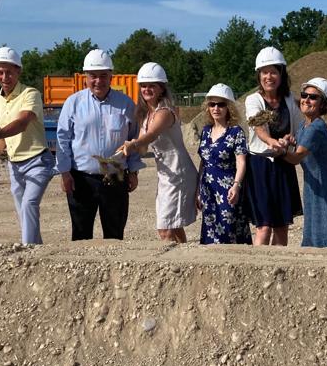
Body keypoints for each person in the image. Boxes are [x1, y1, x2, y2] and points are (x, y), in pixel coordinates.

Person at [55, 48, 143, 240]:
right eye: (93, 76)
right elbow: (62, 139)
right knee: (80, 236)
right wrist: (64, 173)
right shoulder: (73, 103)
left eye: (103, 75)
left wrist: (134, 172)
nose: (98, 81)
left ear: (111, 76)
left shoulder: (126, 104)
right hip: (81, 180)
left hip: (116, 178)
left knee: (114, 236)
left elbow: (134, 140)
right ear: (85, 76)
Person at [0, 46, 56, 245]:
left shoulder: (30, 94)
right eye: (0, 72)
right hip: (14, 165)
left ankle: (27, 251)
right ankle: (36, 250)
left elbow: (22, 122)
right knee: (23, 210)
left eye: (9, 72)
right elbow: (3, 135)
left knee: (29, 204)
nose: (5, 77)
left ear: (18, 71)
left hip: (38, 161)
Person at [117, 62, 197, 242]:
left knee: (164, 229)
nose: (146, 89)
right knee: (174, 225)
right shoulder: (146, 115)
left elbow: (150, 136)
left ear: (161, 88)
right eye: (143, 86)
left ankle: (172, 262)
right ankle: (183, 258)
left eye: (151, 85)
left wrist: (133, 143)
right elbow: (142, 147)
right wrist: (128, 161)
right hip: (166, 174)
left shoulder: (165, 112)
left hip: (179, 173)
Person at [243, 46, 303, 246]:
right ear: (259, 75)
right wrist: (270, 141)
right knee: (264, 226)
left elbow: (297, 127)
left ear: (281, 74)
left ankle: (279, 268)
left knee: (282, 225)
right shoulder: (253, 100)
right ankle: (259, 268)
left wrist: (289, 139)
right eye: (264, 72)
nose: (269, 76)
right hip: (261, 166)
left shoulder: (289, 100)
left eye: (273, 72)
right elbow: (257, 124)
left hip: (284, 164)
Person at [282, 77, 327, 251]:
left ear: (323, 103)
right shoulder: (304, 126)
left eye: (313, 97)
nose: (306, 100)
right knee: (315, 231)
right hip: (313, 186)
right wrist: (291, 140)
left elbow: (296, 158)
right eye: (304, 95)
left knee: (326, 236)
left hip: (323, 187)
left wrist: (277, 151)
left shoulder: (316, 128)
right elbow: (301, 143)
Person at [197, 83, 251, 245]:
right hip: (208, 190)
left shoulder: (236, 132)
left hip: (228, 190)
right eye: (212, 104)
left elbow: (241, 162)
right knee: (211, 230)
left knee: (228, 231)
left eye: (221, 104)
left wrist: (236, 185)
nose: (216, 108)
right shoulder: (206, 131)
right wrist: (197, 191)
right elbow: (203, 162)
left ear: (229, 108)